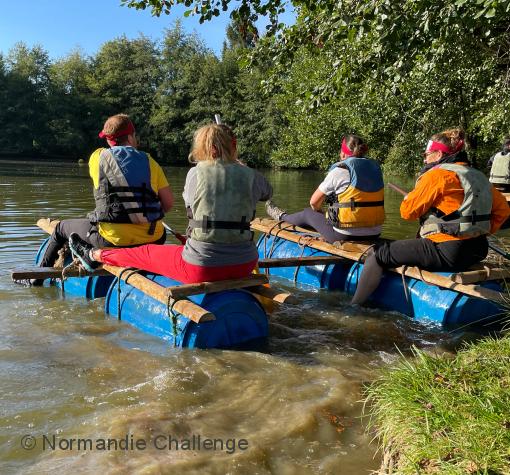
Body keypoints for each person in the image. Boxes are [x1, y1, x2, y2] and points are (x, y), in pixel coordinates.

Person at [68, 123, 273, 284]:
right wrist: (242, 167)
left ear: (207, 148)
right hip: (245, 262)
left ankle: (93, 254)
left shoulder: (196, 173)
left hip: (202, 267)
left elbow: (192, 205)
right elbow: (267, 193)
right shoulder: (252, 176)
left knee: (144, 252)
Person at [351, 128, 510, 305]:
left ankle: (354, 306)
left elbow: (407, 212)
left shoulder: (436, 175)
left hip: (448, 252)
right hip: (478, 250)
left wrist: (410, 198)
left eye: (426, 154)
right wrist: (477, 232)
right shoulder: (478, 176)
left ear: (438, 153)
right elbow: (503, 211)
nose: (424, 158)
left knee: (378, 254)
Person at [35, 114, 173, 280]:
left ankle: (37, 278)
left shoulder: (98, 157)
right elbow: (168, 204)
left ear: (108, 139)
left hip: (112, 242)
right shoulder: (150, 161)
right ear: (130, 137)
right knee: (159, 230)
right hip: (154, 239)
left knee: (59, 228)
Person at [265, 135, 384, 243]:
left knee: (308, 213)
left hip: (344, 236)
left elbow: (313, 202)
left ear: (343, 154)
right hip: (375, 233)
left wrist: (319, 212)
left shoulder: (340, 170)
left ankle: (282, 217)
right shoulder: (376, 171)